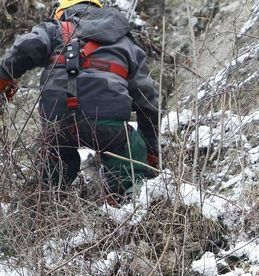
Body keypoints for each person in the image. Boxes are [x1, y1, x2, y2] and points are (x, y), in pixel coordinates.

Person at [0, 0, 160, 198]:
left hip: (58, 121)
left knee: (56, 160)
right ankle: (128, 202)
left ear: (62, 12)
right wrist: (150, 146)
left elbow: (27, 46)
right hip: (107, 120)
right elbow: (147, 98)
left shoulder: (56, 29)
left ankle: (42, 203)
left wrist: (4, 76)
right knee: (128, 150)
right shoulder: (126, 42)